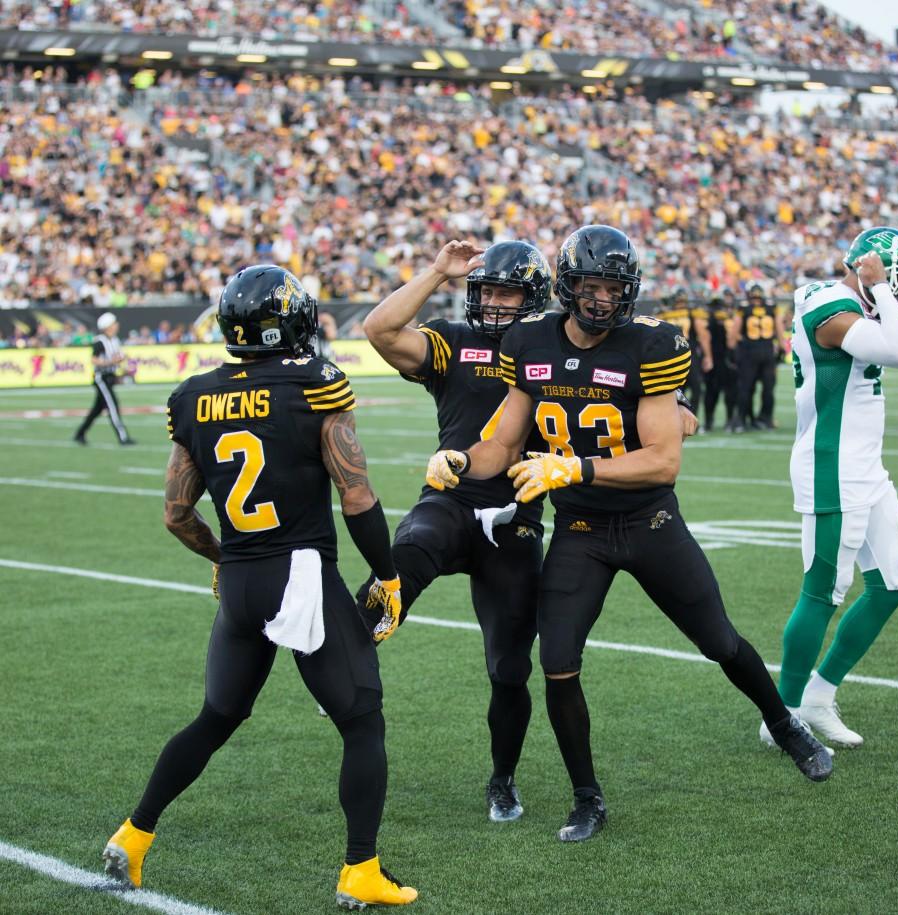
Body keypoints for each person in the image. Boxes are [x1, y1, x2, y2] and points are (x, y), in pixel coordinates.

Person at [425, 225, 832, 843]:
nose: (602, 300)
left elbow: (663, 461)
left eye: (613, 287)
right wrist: (459, 462)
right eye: (590, 286)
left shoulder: (651, 344)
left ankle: (784, 723)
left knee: (719, 641)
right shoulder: (529, 340)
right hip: (580, 531)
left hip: (650, 523)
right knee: (557, 662)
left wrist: (576, 466)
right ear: (566, 286)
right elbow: (502, 443)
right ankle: (587, 796)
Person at [101, 265, 417, 909]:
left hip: (242, 578)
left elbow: (176, 514)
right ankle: (361, 870)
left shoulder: (192, 396)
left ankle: (133, 835)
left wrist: (223, 558)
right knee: (362, 722)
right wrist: (387, 573)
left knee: (217, 717)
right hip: (301, 576)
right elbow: (355, 495)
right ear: (293, 321)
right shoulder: (316, 383)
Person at [362, 239, 550, 823]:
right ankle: (345, 662)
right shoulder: (453, 340)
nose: (494, 302)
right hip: (450, 494)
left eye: (507, 291)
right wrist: (438, 273)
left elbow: (621, 377)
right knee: (402, 555)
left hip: (517, 513)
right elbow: (382, 330)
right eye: (486, 290)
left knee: (510, 668)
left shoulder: (552, 346)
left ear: (535, 296)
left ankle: (503, 779)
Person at [762, 227, 898, 749]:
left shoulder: (844, 298)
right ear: (868, 267)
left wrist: (877, 291)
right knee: (822, 592)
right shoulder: (831, 305)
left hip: (864, 467)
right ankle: (782, 717)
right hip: (832, 467)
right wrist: (877, 288)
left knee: (891, 584)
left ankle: (818, 696)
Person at [74, 312, 136, 445]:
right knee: (112, 405)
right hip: (101, 378)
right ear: (108, 326)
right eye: (114, 323)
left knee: (97, 410)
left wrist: (124, 370)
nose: (117, 325)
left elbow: (116, 360)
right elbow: (94, 360)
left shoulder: (114, 340)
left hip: (110, 377)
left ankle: (80, 433)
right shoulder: (100, 341)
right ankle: (122, 437)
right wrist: (110, 363)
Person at [728, 284, 784, 432]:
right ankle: (765, 419)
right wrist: (782, 348)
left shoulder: (743, 309)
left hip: (749, 352)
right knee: (768, 389)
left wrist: (732, 350)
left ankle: (742, 419)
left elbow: (734, 331)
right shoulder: (772, 308)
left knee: (746, 388)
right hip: (767, 351)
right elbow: (779, 329)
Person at [656, 288, 712, 423]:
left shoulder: (664, 314)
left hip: (674, 355)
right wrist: (708, 356)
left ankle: (682, 419)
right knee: (691, 388)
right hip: (685, 354)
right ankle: (686, 419)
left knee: (680, 389)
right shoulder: (690, 313)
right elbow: (703, 336)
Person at [702, 294, 737, 432]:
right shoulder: (730, 318)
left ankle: (708, 422)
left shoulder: (707, 319)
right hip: (728, 359)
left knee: (711, 393)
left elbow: (704, 339)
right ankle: (729, 421)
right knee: (730, 392)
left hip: (713, 359)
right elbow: (733, 340)